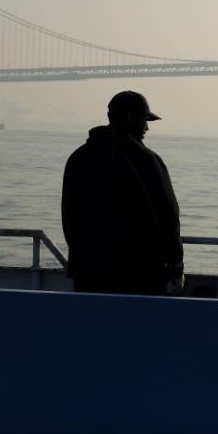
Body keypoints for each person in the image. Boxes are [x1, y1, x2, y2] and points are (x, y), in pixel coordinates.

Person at [61, 90, 184, 295]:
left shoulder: (78, 158)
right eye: (145, 120)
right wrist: (175, 268)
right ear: (129, 118)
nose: (146, 128)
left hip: (88, 275)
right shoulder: (146, 160)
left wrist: (82, 260)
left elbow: (69, 218)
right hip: (139, 276)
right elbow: (167, 216)